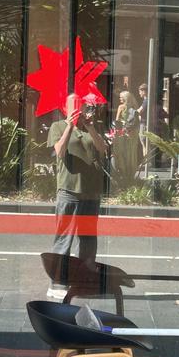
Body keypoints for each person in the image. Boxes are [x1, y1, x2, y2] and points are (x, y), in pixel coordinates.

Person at [46, 93, 107, 299]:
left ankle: (84, 279)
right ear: (65, 108)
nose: (79, 109)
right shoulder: (58, 127)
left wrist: (89, 126)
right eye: (74, 105)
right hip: (69, 190)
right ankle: (57, 281)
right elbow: (60, 151)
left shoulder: (90, 127)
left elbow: (102, 149)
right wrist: (70, 126)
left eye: (81, 105)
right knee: (64, 238)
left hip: (91, 191)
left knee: (88, 239)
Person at [113, 90, 140, 181]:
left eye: (121, 97)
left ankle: (124, 175)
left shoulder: (121, 107)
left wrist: (117, 132)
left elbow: (117, 121)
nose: (119, 98)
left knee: (122, 153)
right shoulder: (134, 107)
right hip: (133, 133)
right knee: (132, 153)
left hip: (123, 133)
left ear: (125, 98)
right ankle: (131, 174)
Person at [137, 83, 148, 155]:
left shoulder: (146, 101)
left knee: (144, 143)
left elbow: (139, 111)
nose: (139, 93)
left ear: (144, 91)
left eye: (140, 91)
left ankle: (146, 163)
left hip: (144, 124)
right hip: (145, 123)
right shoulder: (146, 101)